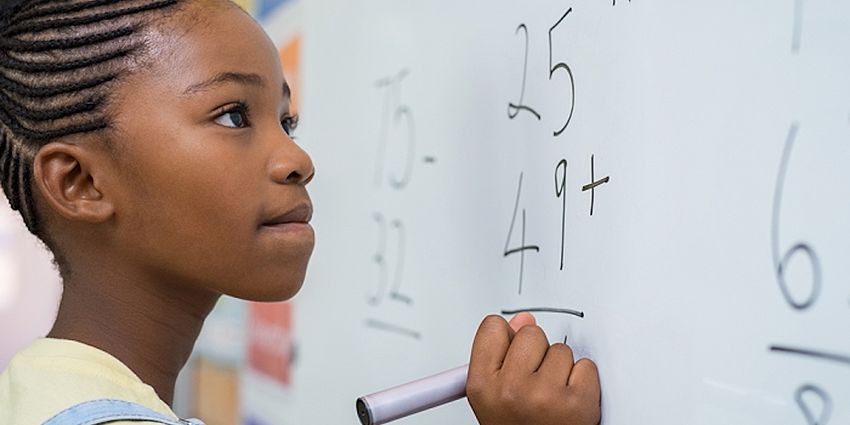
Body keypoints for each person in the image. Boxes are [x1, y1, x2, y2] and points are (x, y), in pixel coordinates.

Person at [0, 1, 602, 424]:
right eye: (234, 115)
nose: (297, 158)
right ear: (79, 182)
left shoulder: (33, 386)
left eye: (287, 120)